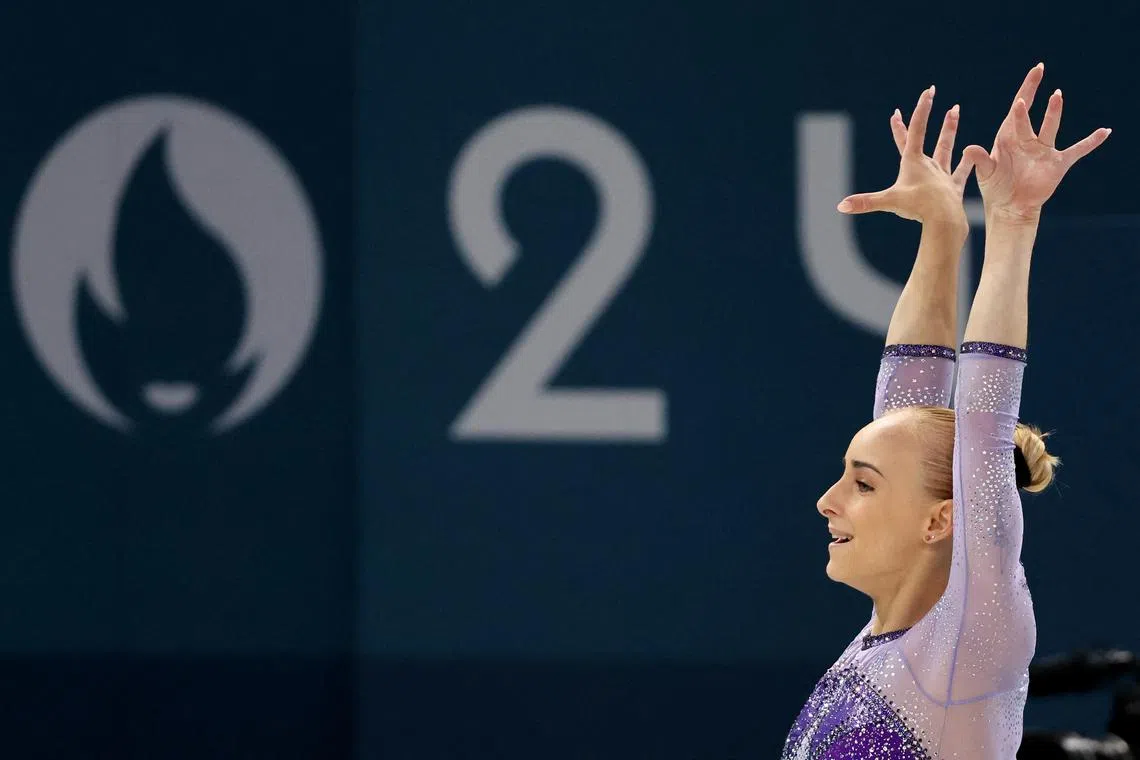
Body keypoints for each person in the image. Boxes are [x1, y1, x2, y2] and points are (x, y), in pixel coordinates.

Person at [781, 63, 1111, 759]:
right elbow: (910, 410)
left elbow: (981, 429)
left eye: (862, 483)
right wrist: (941, 231)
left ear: (941, 519)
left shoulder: (968, 645)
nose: (826, 501)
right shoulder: (887, 644)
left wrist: (1014, 222)